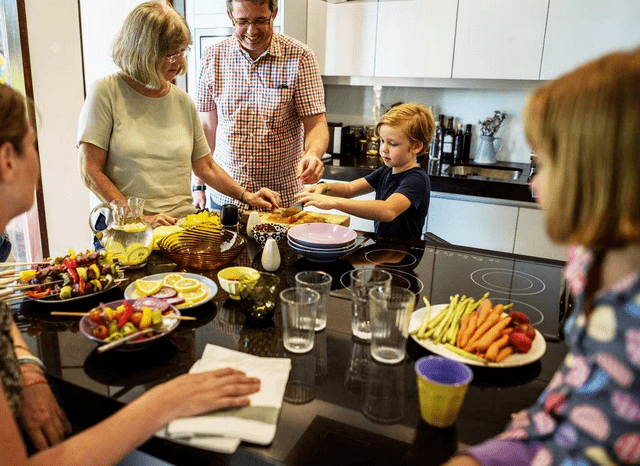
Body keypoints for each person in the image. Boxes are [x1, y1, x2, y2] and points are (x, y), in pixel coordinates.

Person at [0, 83, 261, 464]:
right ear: (8, 159)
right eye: (33, 144)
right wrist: (163, 401)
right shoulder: (107, 94)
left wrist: (28, 367)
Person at [445, 48, 640, 465]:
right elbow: (571, 397)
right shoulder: (590, 256)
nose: (533, 185)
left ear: (602, 176)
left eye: (546, 165)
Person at [78, 1, 279, 229]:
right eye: (170, 55)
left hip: (180, 227)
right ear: (142, 53)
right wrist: (137, 217)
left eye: (182, 51)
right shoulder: (106, 93)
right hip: (128, 231)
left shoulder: (182, 101)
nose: (180, 62)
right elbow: (90, 171)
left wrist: (246, 196)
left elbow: (206, 166)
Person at [192, 0, 329, 211]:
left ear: (273, 13)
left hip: (283, 196)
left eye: (260, 21)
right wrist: (198, 184)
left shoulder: (300, 57)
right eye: (243, 21)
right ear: (230, 16)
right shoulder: (212, 58)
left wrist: (312, 154)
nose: (251, 30)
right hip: (227, 195)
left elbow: (316, 123)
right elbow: (207, 130)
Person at [295, 103, 434, 241]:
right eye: (382, 141)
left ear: (416, 147)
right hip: (384, 248)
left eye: (393, 144)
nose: (384, 149)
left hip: (405, 255)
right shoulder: (386, 171)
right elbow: (349, 189)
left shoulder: (417, 179)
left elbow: (388, 210)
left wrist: (332, 202)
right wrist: (324, 187)